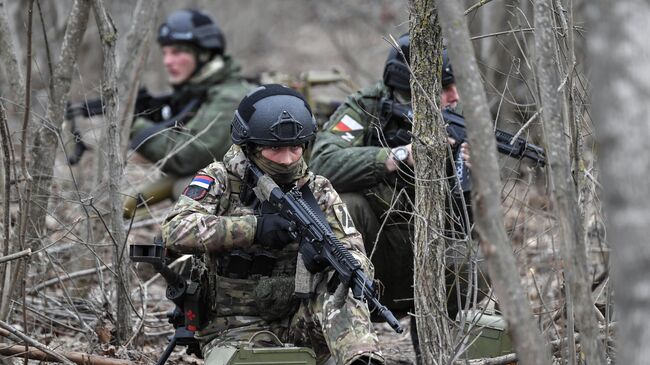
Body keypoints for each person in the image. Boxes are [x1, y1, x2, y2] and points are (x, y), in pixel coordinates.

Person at [162, 84, 385, 365]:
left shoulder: (317, 189)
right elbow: (175, 230)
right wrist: (253, 228)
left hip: (302, 322)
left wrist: (328, 259)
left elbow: (354, 250)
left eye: (295, 148)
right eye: (275, 149)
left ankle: (362, 358)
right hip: (232, 328)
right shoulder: (219, 179)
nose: (288, 159)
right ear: (251, 147)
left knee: (345, 283)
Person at [309, 34, 486, 322]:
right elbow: (323, 163)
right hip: (373, 252)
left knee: (476, 260)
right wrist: (397, 156)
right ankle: (344, 328)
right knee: (347, 206)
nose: (455, 97)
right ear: (412, 88)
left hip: (427, 250)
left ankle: (439, 348)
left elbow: (466, 228)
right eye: (444, 87)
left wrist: (471, 177)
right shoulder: (367, 107)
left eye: (457, 86)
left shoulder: (456, 120)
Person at [123, 9, 253, 218]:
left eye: (177, 52)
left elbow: (187, 157)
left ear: (203, 54)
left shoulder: (229, 96)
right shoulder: (199, 90)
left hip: (249, 198)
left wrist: (132, 124)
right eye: (165, 52)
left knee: (184, 185)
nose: (167, 61)